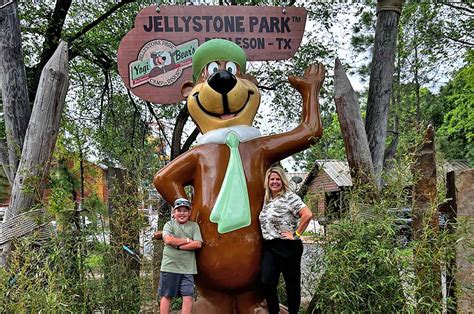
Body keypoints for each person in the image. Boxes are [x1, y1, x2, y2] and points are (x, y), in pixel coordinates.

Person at [259, 167, 314, 314]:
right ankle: (274, 311)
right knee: (267, 281)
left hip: (288, 246)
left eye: (278, 179)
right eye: (272, 179)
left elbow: (307, 214)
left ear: (283, 181)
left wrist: (295, 234)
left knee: (292, 285)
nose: (275, 182)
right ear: (268, 182)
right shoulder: (267, 200)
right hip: (270, 246)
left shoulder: (290, 197)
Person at [156, 198, 203, 314]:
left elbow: (197, 244)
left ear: (189, 212)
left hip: (187, 268)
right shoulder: (169, 225)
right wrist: (187, 240)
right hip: (170, 267)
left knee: (188, 296)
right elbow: (168, 240)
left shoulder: (194, 226)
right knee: (166, 296)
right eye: (179, 210)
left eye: (185, 210)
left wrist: (178, 246)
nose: (182, 213)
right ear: (174, 213)